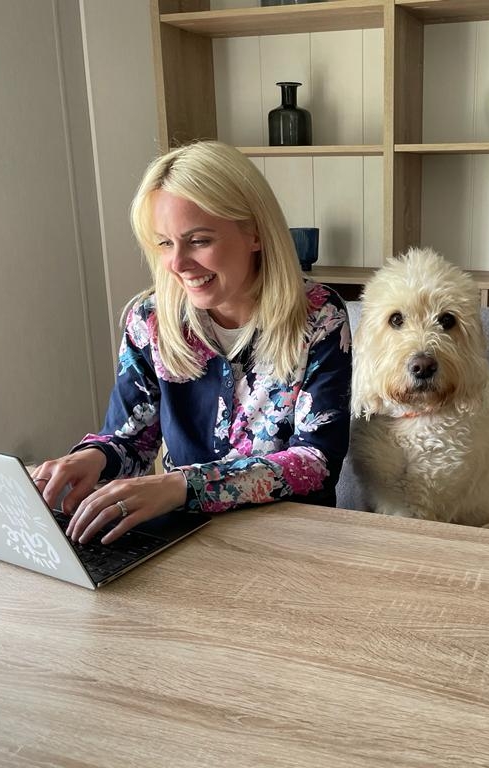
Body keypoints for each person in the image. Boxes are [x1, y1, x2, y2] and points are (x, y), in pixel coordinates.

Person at [33, 140, 352, 545]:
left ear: (254, 233)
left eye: (198, 240)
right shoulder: (149, 320)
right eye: (165, 243)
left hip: (292, 541)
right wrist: (92, 458)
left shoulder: (319, 316)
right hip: (184, 540)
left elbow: (315, 463)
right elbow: (131, 436)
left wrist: (182, 486)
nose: (177, 263)